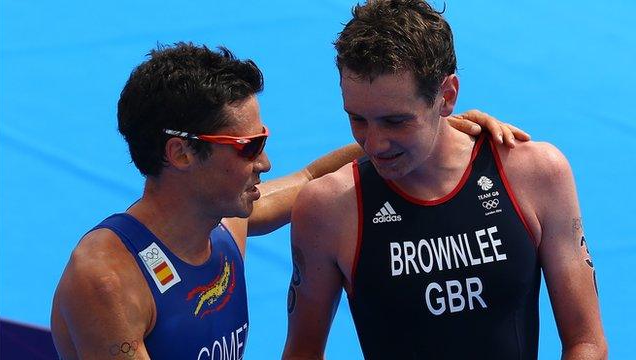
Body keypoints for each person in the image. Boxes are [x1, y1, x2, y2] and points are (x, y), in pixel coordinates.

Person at [50, 42, 526, 360]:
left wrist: (431, 129)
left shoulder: (224, 226)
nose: (266, 163)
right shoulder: (108, 281)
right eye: (249, 147)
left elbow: (314, 176)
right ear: (181, 153)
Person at [282, 1, 608, 359]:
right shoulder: (328, 208)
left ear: (447, 96)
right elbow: (303, 353)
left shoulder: (536, 174)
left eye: (396, 121)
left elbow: (585, 341)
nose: (373, 144)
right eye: (357, 119)